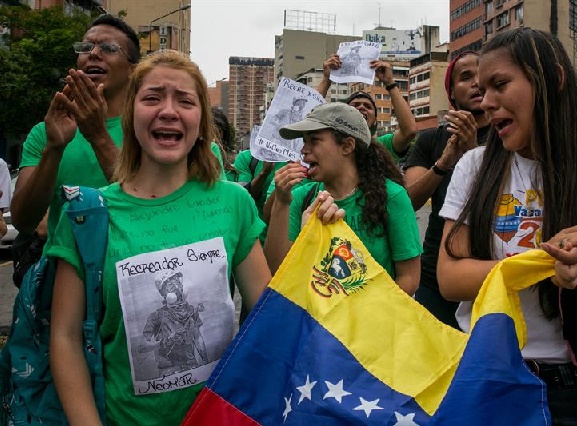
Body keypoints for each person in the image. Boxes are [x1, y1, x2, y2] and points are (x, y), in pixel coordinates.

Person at [49, 49, 271, 426]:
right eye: (152, 98)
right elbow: (65, 338)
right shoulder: (87, 214)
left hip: (221, 416)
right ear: (132, 115)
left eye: (185, 101)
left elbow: (268, 316)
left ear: (200, 121)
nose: (168, 110)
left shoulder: (234, 202)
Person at [437, 28, 577, 424]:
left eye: (500, 84)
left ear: (553, 80)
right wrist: (545, 260)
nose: (487, 102)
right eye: (481, 89)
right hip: (487, 382)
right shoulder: (474, 167)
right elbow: (450, 278)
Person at [10, 14, 139, 256]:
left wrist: (98, 134)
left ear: (133, 70)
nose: (94, 54)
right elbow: (23, 221)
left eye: (109, 48)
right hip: (64, 278)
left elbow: (141, 206)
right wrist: (54, 148)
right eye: (86, 47)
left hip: (131, 270)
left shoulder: (147, 130)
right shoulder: (46, 133)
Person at [264, 102, 422, 295]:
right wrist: (281, 203)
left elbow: (409, 278)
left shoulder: (392, 196)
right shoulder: (300, 197)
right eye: (304, 142)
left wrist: (358, 313)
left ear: (347, 146)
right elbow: (278, 271)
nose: (304, 150)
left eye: (314, 140)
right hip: (315, 322)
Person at [404, 51, 489, 328]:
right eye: (466, 77)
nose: (477, 82)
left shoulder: (507, 137)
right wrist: (443, 164)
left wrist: (474, 154)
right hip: (434, 278)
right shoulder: (432, 140)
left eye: (482, 74)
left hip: (486, 272)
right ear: (451, 91)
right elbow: (410, 202)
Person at [317, 56, 417, 164]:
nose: (361, 107)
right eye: (355, 105)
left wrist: (390, 83)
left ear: (374, 119)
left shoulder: (383, 146)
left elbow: (409, 131)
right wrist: (326, 80)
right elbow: (309, 118)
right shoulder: (331, 146)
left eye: (368, 106)